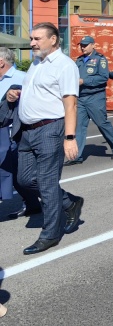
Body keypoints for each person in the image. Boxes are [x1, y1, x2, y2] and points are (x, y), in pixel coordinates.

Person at [11, 23, 84, 254]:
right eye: (32, 38)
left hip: (50, 129)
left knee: (46, 182)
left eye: (37, 39)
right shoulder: (36, 63)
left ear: (53, 40)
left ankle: (50, 234)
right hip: (28, 131)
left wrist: (70, 137)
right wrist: (17, 94)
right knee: (24, 180)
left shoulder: (65, 65)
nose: (32, 43)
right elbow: (40, 93)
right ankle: (69, 202)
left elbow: (70, 103)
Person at [73, 36, 113, 164]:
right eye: (81, 45)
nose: (83, 47)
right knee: (79, 127)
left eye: (86, 45)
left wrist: (85, 81)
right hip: (81, 97)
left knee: (102, 124)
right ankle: (77, 156)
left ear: (93, 45)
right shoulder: (78, 60)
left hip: (95, 97)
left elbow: (103, 77)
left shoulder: (100, 59)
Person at [0, 47, 32, 218]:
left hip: (14, 134)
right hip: (1, 134)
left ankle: (63, 201)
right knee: (11, 173)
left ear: (1, 62)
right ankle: (32, 203)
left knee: (18, 174)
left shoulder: (22, 78)